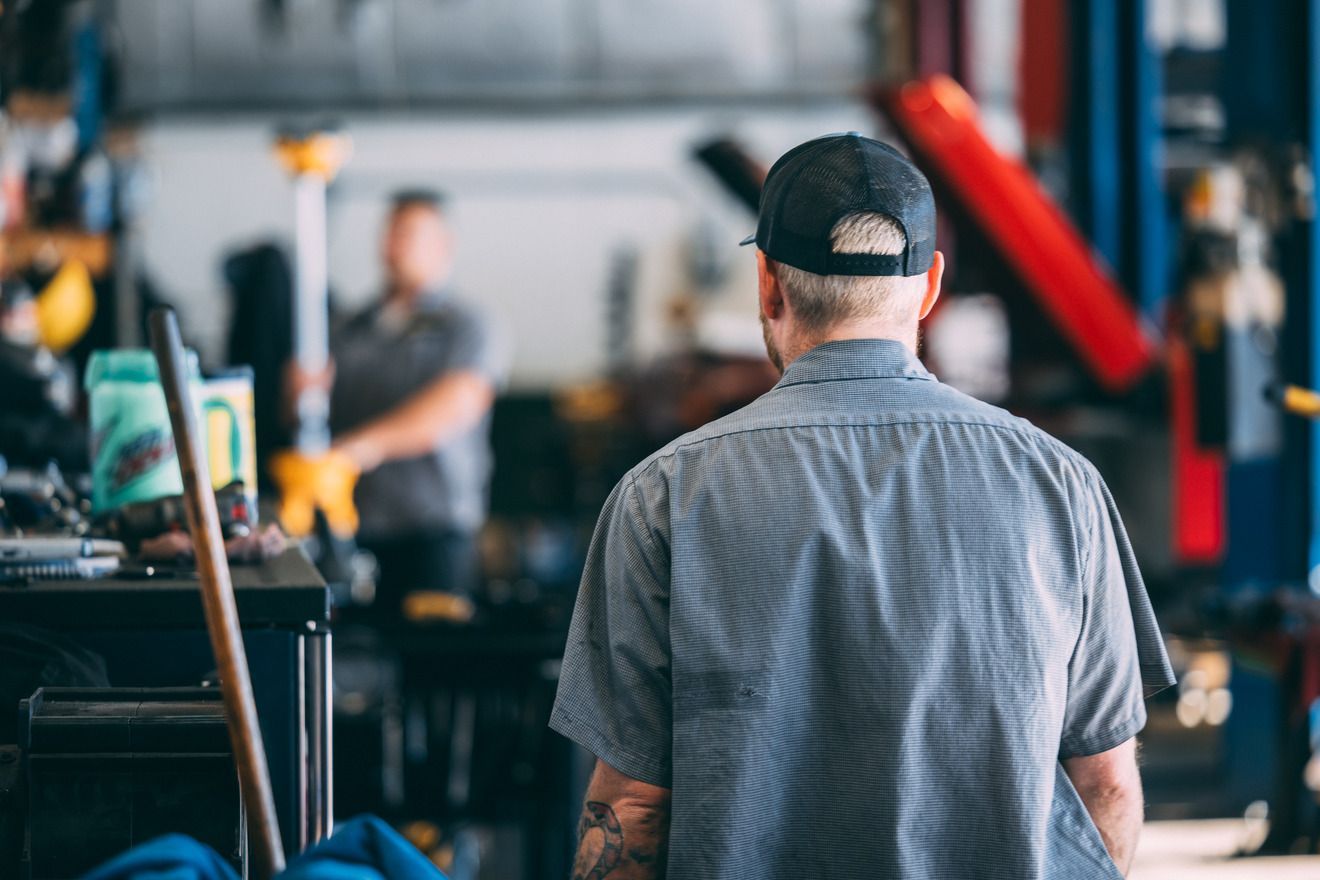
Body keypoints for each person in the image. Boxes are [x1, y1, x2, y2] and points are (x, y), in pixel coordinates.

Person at [550, 134, 1174, 879]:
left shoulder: (663, 494)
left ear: (768, 285)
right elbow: (1104, 781)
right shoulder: (1060, 483)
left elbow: (633, 808)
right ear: (931, 285)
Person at [296, 190, 507, 609]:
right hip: (352, 526)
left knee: (430, 662)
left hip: (431, 531)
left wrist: (363, 447)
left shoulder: (467, 325)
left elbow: (456, 404)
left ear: (443, 244)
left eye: (409, 233)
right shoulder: (350, 328)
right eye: (389, 233)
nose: (393, 246)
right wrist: (300, 393)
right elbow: (308, 416)